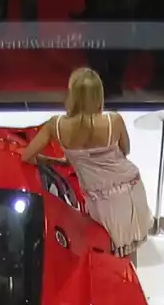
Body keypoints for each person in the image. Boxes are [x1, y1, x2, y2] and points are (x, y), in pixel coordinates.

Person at [21, 68, 153, 264]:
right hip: (127, 189)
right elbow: (125, 151)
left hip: (97, 197)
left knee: (104, 251)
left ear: (72, 95)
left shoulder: (56, 126)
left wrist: (58, 161)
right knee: (128, 251)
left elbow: (27, 156)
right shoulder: (113, 121)